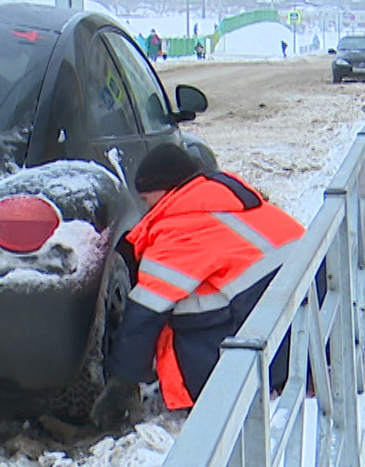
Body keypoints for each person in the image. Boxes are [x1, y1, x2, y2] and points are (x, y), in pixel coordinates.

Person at [94, 144, 305, 427]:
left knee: (175, 321)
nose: (145, 208)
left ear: (165, 188)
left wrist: (122, 382)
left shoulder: (183, 226)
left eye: (146, 199)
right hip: (302, 322)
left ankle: (204, 397)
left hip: (272, 347)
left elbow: (145, 312)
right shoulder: (222, 203)